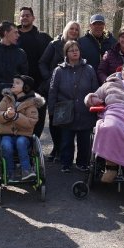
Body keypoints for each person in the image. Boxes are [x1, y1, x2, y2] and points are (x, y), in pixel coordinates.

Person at [48, 40, 99, 172]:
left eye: (77, 49)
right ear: (66, 53)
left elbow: (95, 90)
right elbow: (53, 91)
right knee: (66, 140)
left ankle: (83, 163)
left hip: (85, 111)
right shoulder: (59, 70)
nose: (75, 52)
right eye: (72, 50)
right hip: (65, 111)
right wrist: (52, 110)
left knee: (84, 141)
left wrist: (95, 108)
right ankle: (66, 163)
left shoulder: (89, 69)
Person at [39, 21, 82, 164]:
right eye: (72, 28)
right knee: (54, 120)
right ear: (66, 29)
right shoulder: (55, 44)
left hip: (72, 89)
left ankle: (63, 150)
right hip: (54, 88)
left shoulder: (79, 46)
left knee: (68, 120)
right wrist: (49, 78)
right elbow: (43, 62)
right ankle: (56, 147)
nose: (74, 31)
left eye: (77, 29)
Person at [0, 75, 44, 181]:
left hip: (24, 135)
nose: (13, 85)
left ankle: (26, 170)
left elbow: (31, 122)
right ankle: (9, 172)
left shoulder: (31, 102)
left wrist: (16, 116)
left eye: (17, 83)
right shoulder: (7, 98)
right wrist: (6, 115)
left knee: (21, 142)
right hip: (7, 134)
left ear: (26, 87)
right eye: (13, 82)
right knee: (6, 145)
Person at [16, 7, 53, 139]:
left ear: (33, 18)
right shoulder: (13, 36)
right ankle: (19, 149)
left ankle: (34, 147)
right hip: (17, 86)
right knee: (19, 116)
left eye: (27, 15)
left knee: (38, 117)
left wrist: (48, 79)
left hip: (39, 85)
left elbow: (55, 54)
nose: (24, 18)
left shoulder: (42, 37)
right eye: (22, 16)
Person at [0, 21, 28, 98]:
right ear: (6, 33)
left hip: (15, 97)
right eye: (15, 32)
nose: (18, 35)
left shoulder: (21, 53)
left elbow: (24, 76)